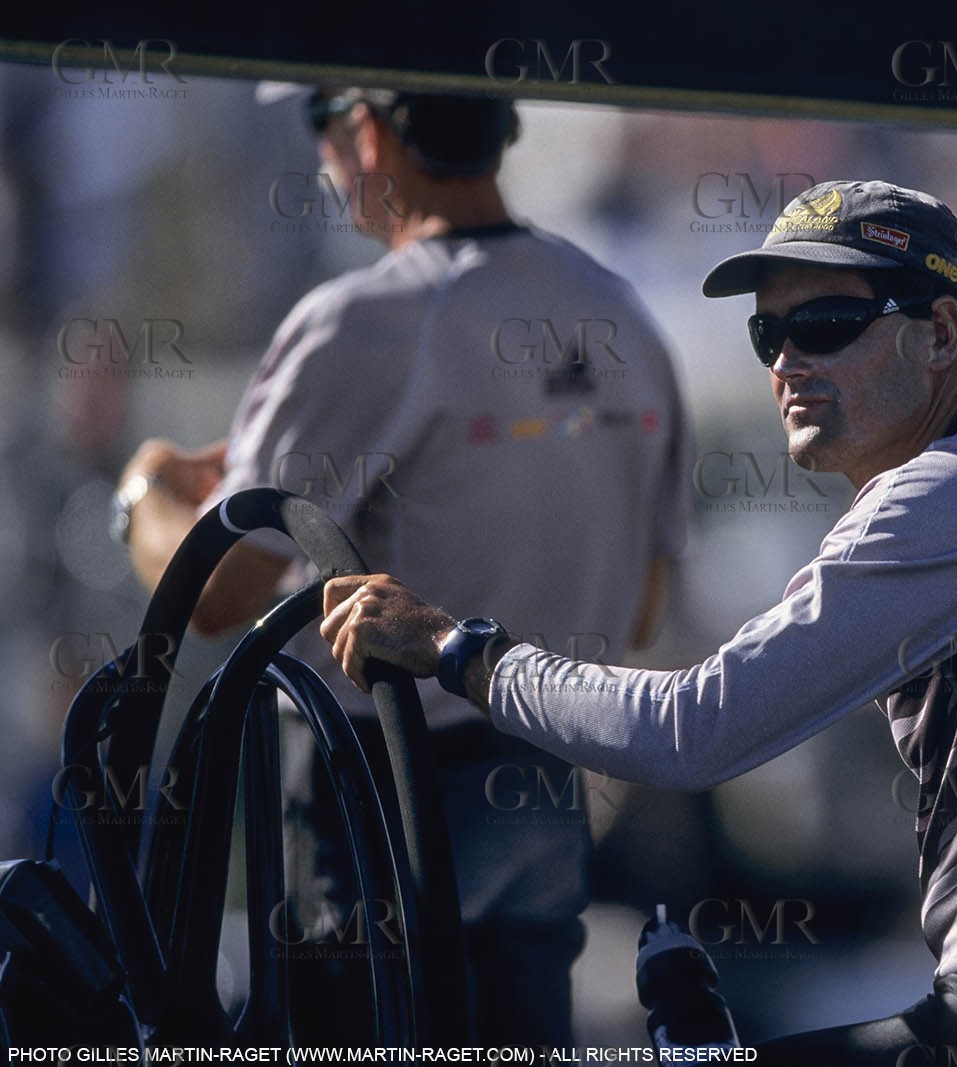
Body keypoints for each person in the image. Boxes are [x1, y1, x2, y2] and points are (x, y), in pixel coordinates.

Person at [318, 179, 957, 1064]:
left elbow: (694, 731)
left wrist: (457, 648)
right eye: (767, 333)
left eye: (825, 324)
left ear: (941, 334)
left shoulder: (954, 493)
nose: (787, 362)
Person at [114, 85, 693, 1043]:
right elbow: (640, 610)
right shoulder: (621, 311)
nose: (323, 158)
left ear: (369, 131)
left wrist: (144, 490)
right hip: (551, 785)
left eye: (321, 127)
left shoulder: (364, 320)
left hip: (379, 795)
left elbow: (212, 595)